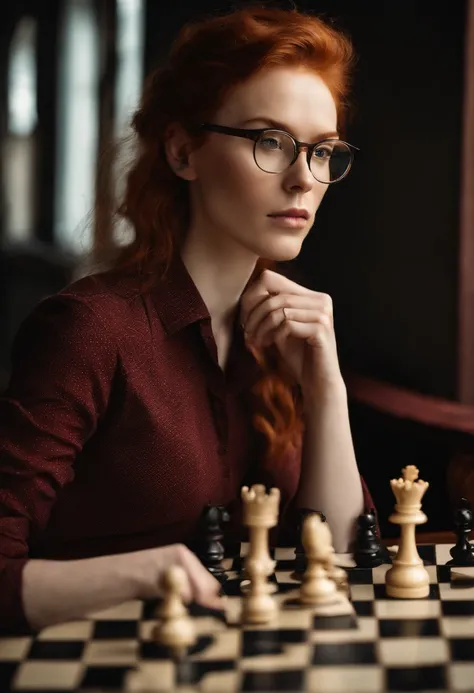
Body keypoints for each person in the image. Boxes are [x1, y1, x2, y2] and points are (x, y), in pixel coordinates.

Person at [0, 5, 375, 634]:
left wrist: (325, 390)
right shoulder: (90, 329)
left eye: (322, 151)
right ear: (182, 152)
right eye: (269, 141)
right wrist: (147, 572)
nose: (302, 179)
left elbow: (339, 557)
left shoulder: (282, 329)